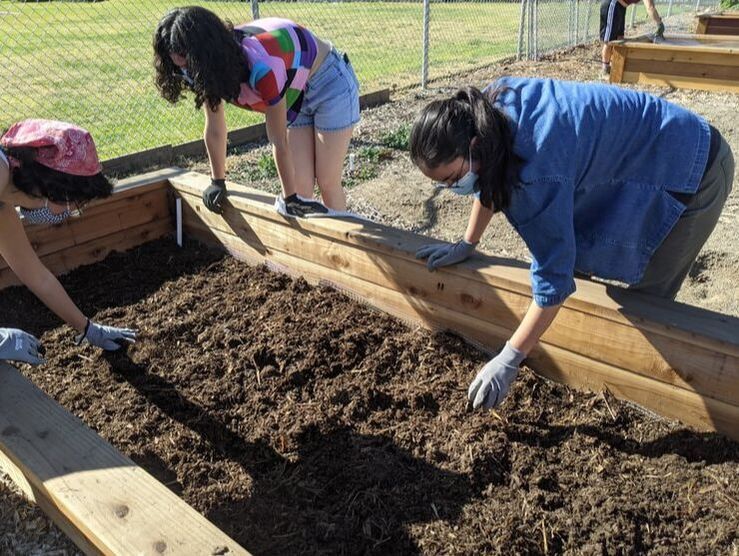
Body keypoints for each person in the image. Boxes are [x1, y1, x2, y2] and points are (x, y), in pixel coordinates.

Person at [409, 78, 733, 412]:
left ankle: (633, 391)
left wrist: (509, 358)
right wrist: (467, 242)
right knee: (575, 258)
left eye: (452, 180)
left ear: (475, 146)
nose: (454, 189)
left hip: (693, 170)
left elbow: (553, 277)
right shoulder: (485, 114)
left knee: (646, 306)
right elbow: (491, 179)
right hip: (644, 154)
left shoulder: (535, 171)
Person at [153, 7, 360, 218]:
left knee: (327, 180)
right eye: (178, 64)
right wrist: (218, 181)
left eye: (187, 63)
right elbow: (215, 127)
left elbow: (278, 140)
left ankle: (347, 247)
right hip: (294, 88)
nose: (185, 71)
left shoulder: (262, 66)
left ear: (205, 53)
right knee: (300, 186)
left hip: (328, 83)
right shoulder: (203, 69)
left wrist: (290, 200)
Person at [0, 119, 137, 365]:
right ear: (51, 185)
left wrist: (88, 329)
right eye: (70, 203)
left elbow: (37, 276)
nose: (66, 211)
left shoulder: (2, 205)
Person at [600, 0, 664, 76]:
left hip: (620, 6)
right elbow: (650, 8)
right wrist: (659, 24)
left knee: (619, 38)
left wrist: (658, 22)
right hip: (612, 3)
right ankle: (605, 69)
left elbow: (651, 7)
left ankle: (614, 65)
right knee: (609, 40)